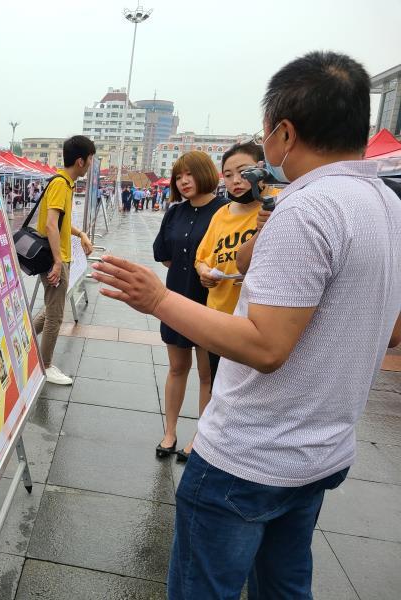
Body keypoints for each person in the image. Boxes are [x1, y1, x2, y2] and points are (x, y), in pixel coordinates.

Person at [92, 51, 401, 600]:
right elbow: (392, 331)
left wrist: (159, 299)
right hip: (320, 451)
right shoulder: (388, 206)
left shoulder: (307, 209)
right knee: (284, 586)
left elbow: (265, 346)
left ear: (285, 133)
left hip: (251, 456)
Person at [152, 151, 226, 462]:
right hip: (176, 297)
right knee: (177, 367)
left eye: (189, 174)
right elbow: (163, 254)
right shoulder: (175, 212)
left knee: (207, 374)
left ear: (205, 173)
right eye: (179, 176)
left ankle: (200, 438)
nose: (183, 181)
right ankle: (169, 432)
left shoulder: (224, 211)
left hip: (210, 302)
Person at [195, 141, 268, 384]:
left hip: (257, 323)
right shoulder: (222, 214)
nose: (236, 180)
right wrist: (205, 272)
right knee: (217, 386)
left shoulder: (278, 204)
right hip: (220, 319)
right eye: (228, 175)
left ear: (262, 169)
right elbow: (202, 257)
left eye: (244, 172)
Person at [33, 135, 94, 385]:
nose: (91, 164)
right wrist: (58, 262)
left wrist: (80, 234)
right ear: (80, 161)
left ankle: (24, 341)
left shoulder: (64, 183)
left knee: (51, 310)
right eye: (90, 159)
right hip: (54, 259)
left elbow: (61, 223)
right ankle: (45, 366)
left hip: (58, 257)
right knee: (55, 317)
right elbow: (50, 225)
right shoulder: (61, 184)